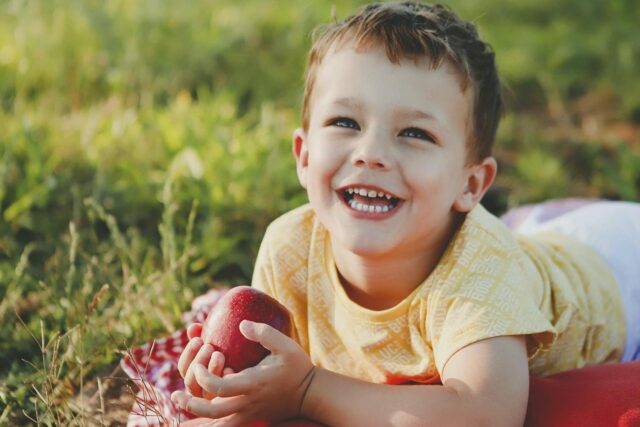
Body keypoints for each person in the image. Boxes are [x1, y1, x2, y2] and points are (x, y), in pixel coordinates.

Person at [170, 2, 640, 426]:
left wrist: (309, 391)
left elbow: (486, 415)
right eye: (345, 123)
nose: (370, 153)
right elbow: (269, 371)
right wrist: (225, 384)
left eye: (415, 133)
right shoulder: (289, 245)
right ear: (304, 155)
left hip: (620, 272)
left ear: (470, 184)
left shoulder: (479, 273)